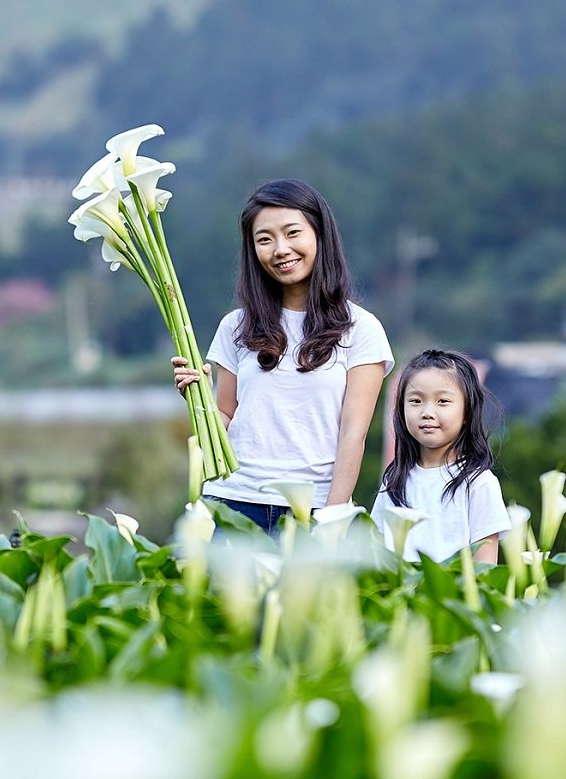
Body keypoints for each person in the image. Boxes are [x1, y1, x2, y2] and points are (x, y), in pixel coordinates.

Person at [173, 179, 392, 531]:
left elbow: (353, 434)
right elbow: (225, 418)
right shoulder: (235, 326)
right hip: (232, 502)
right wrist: (197, 395)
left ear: (320, 235)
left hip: (311, 508)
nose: (280, 249)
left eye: (292, 233)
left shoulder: (361, 329)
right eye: (264, 239)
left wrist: (332, 519)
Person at [373, 348, 511, 562]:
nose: (427, 412)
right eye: (416, 401)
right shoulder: (393, 482)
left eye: (442, 401)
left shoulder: (478, 483)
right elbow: (377, 552)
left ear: (468, 412)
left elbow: (485, 570)